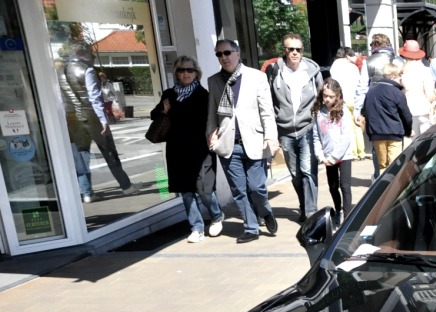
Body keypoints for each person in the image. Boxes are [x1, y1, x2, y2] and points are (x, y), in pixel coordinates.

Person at [206, 39, 278, 243]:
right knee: (239, 190)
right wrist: (210, 134)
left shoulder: (256, 77)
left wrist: (271, 137)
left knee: (256, 187)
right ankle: (251, 227)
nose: (223, 58)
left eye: (227, 52)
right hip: (229, 144)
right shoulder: (214, 81)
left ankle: (265, 211)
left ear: (237, 53)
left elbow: (267, 111)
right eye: (219, 54)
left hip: (254, 140)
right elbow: (212, 112)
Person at [151, 55, 223, 242]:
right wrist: (163, 110)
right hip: (177, 150)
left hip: (200, 149)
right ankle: (197, 228)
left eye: (190, 70)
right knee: (186, 190)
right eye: (182, 70)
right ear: (176, 73)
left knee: (204, 189)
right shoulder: (169, 94)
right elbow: (154, 114)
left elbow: (213, 119)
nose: (186, 73)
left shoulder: (203, 95)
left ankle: (216, 216)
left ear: (196, 73)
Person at [58, 41, 137, 203]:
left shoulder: (61, 72)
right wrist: (103, 119)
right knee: (109, 152)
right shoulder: (87, 70)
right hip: (91, 115)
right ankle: (126, 186)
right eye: (90, 53)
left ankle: (87, 193)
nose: (93, 57)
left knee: (81, 156)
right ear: (82, 54)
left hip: (72, 117)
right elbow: (94, 97)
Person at [266, 33, 325, 220]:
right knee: (295, 174)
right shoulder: (274, 70)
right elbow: (267, 100)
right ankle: (303, 205)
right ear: (284, 50)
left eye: (298, 49)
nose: (294, 53)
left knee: (308, 170)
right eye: (290, 49)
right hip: (284, 130)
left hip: (307, 127)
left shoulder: (312, 70)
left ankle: (310, 212)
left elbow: (322, 98)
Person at [312, 79, 355, 224]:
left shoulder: (344, 112)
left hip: (343, 155)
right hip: (327, 156)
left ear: (337, 95)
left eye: (331, 96)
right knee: (332, 186)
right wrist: (321, 155)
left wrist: (335, 156)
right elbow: (316, 136)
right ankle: (338, 210)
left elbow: (346, 137)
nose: (327, 99)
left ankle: (348, 216)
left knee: (345, 186)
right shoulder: (318, 112)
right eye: (325, 96)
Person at [362, 62, 412, 172]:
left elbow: (365, 111)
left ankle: (382, 187)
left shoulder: (371, 91)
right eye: (400, 76)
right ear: (394, 76)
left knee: (382, 167)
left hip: (377, 133)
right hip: (394, 133)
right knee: (394, 167)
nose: (400, 79)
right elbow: (406, 115)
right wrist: (408, 131)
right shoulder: (397, 93)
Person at [398, 39, 436, 135]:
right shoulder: (425, 71)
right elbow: (430, 95)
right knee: (425, 144)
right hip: (424, 111)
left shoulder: (401, 72)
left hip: (407, 112)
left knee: (410, 145)